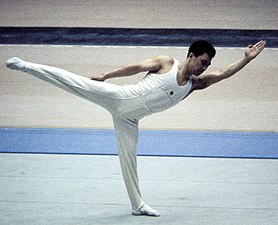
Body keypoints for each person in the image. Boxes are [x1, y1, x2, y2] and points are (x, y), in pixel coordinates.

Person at [6, 40, 266, 217]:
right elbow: (135, 67)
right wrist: (106, 76)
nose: (205, 66)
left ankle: (137, 205)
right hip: (119, 97)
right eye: (203, 61)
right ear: (190, 55)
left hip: (130, 120)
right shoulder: (166, 62)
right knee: (73, 82)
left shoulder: (195, 84)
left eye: (207, 64)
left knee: (129, 160)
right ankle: (26, 65)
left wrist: (246, 60)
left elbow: (223, 74)